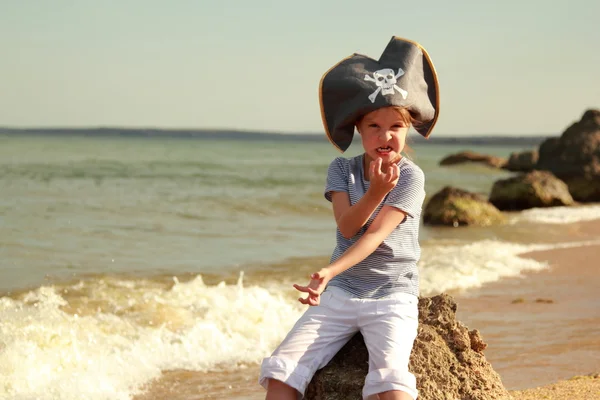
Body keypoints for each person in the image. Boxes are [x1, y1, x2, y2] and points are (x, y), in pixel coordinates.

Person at [259, 36, 440, 400]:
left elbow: (374, 235)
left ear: (407, 131)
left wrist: (329, 271)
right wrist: (332, 277)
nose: (385, 136)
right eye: (373, 126)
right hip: (341, 293)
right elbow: (347, 226)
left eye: (396, 127)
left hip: (392, 294)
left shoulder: (410, 177)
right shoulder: (342, 169)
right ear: (358, 128)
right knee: (283, 370)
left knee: (390, 380)